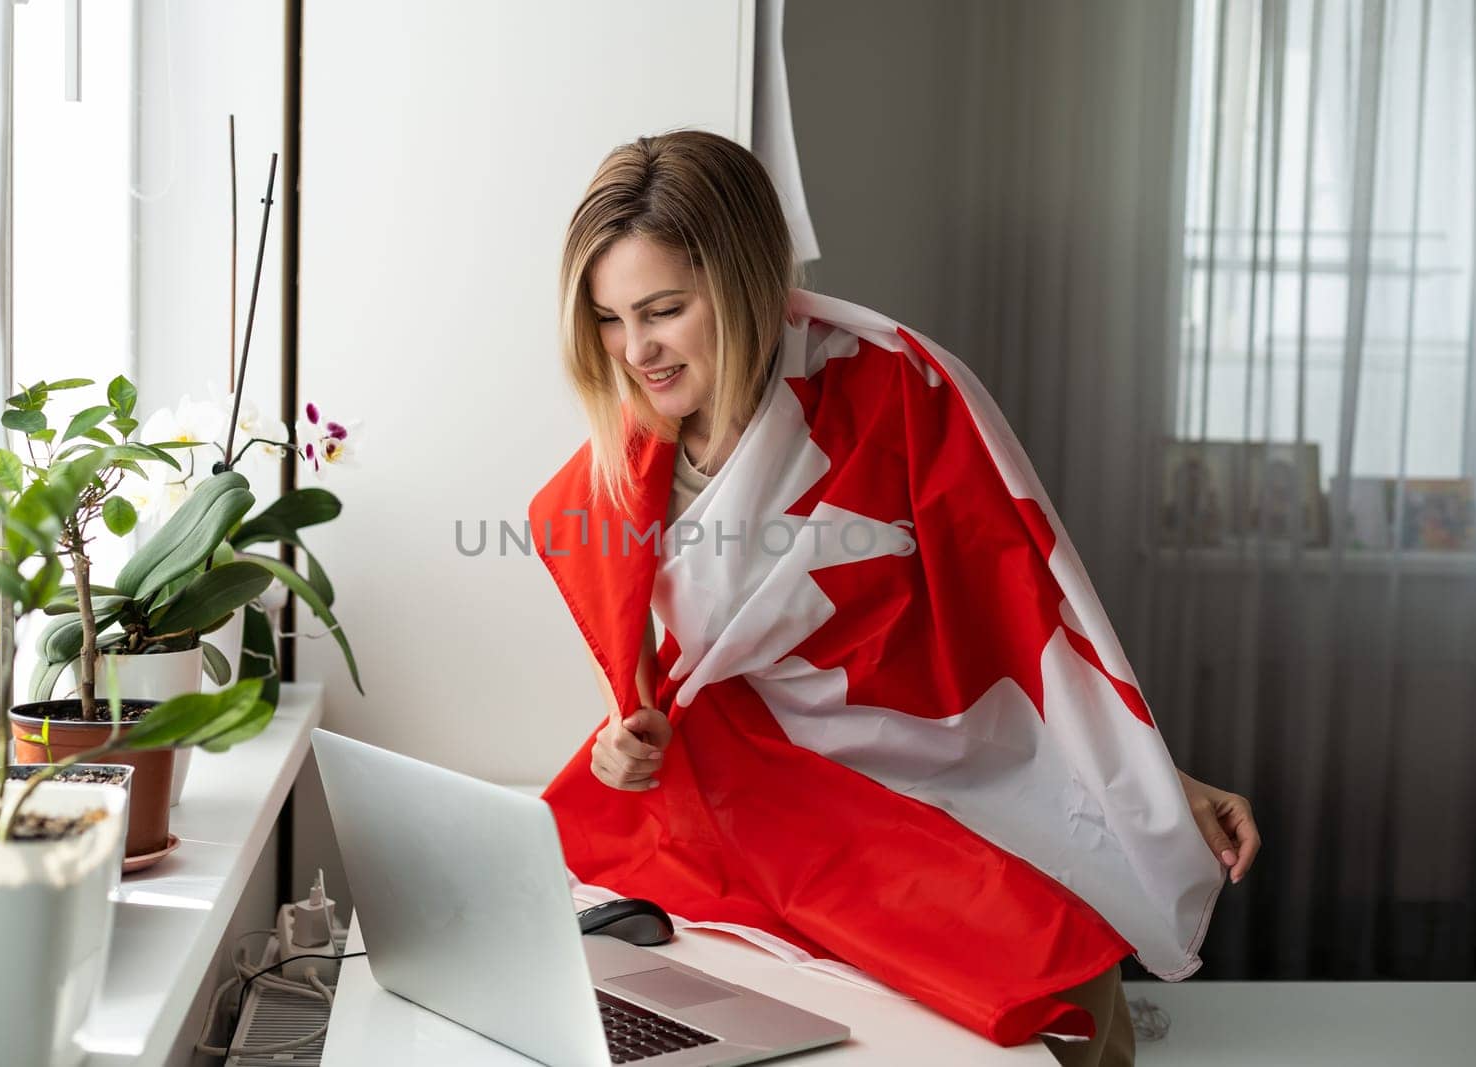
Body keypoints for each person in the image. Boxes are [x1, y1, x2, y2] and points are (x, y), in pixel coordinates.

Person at [536, 129, 1261, 1067]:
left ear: (747, 279)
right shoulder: (624, 457)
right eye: (607, 318)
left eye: (664, 310)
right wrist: (623, 745)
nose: (635, 350)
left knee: (1058, 1025)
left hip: (948, 789)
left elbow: (1031, 618)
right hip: (771, 807)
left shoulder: (897, 392)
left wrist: (1151, 780)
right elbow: (654, 686)